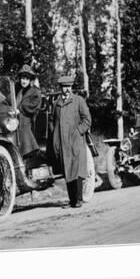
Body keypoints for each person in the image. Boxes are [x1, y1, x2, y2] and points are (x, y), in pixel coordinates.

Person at [50, 76, 92, 208]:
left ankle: (79, 199)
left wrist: (78, 131)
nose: (66, 90)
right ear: (60, 88)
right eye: (64, 87)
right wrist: (55, 136)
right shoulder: (56, 104)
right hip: (62, 143)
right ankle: (72, 200)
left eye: (68, 87)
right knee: (67, 170)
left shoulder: (78, 101)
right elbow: (52, 121)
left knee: (77, 169)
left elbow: (87, 120)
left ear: (71, 87)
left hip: (76, 141)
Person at [15, 65, 42, 158]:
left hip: (29, 120)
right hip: (16, 121)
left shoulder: (35, 92)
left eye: (27, 78)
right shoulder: (18, 90)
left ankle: (30, 153)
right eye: (23, 78)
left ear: (30, 80)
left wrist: (19, 108)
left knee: (24, 131)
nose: (24, 81)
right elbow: (6, 101)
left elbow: (33, 106)